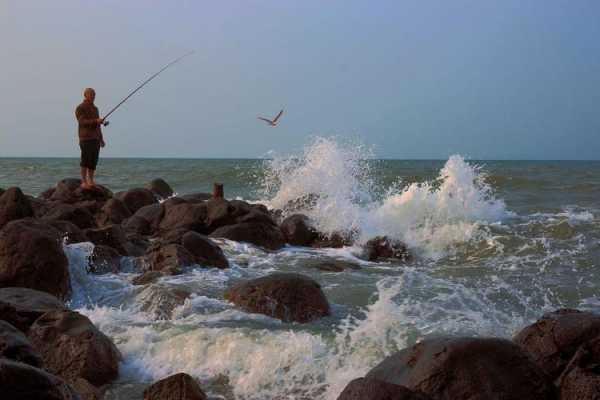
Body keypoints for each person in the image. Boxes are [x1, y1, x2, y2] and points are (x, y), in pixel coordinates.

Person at [75, 88, 105, 189]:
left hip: (95, 138)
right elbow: (82, 122)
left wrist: (101, 139)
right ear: (85, 95)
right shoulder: (80, 108)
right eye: (91, 94)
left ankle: (91, 180)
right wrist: (95, 121)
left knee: (93, 160)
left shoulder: (95, 109)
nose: (93, 96)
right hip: (85, 138)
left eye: (94, 94)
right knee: (85, 160)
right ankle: (84, 181)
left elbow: (98, 125)